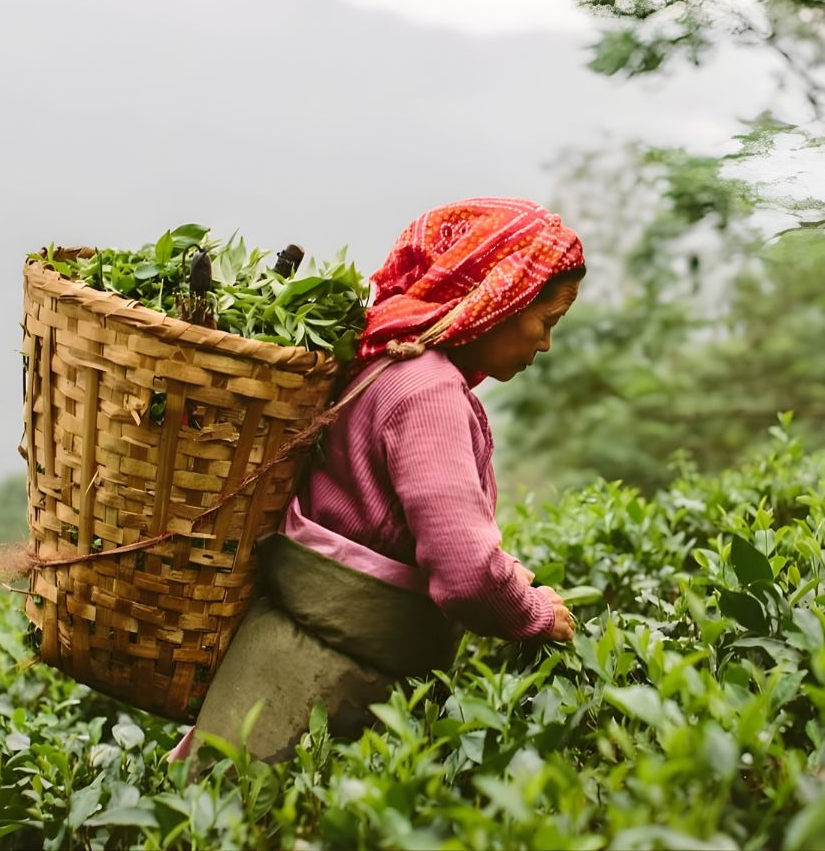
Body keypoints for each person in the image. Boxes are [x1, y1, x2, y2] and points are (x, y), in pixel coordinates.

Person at [169, 197, 584, 763]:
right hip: (324, 688)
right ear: (499, 300)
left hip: (278, 665)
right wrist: (532, 614)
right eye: (546, 321)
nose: (545, 344)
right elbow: (465, 576)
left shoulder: (386, 364)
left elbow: (387, 527)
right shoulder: (428, 392)